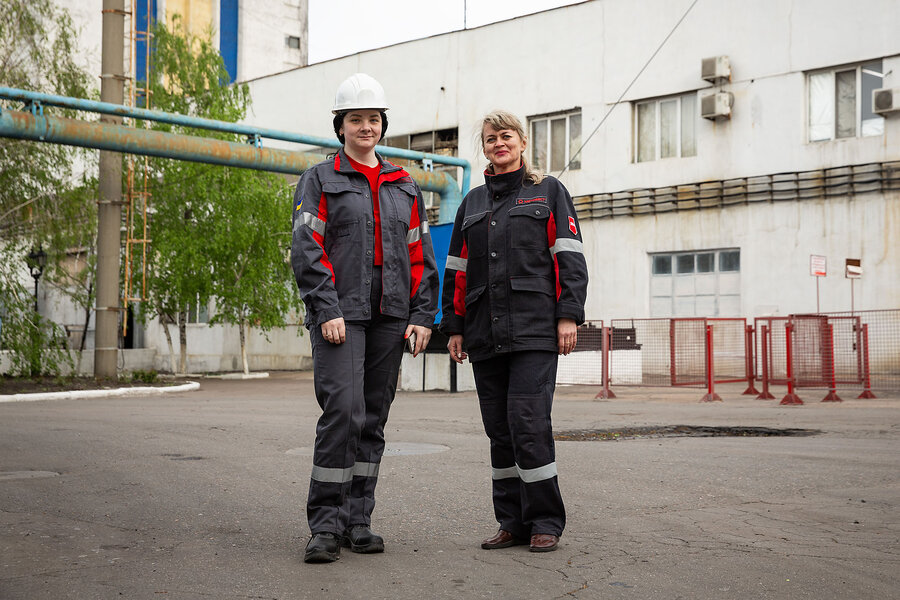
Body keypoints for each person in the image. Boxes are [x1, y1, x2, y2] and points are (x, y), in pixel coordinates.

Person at [291, 73, 439, 563]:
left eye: (373, 119)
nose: (366, 127)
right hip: (342, 316)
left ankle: (359, 521)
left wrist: (422, 314)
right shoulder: (320, 178)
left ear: (383, 125)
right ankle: (325, 526)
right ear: (341, 126)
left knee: (373, 419)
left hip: (391, 317)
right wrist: (326, 308)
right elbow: (307, 248)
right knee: (343, 413)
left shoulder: (403, 185)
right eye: (356, 119)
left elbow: (420, 256)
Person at [440, 110, 588, 553]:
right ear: (484, 148)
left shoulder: (549, 191)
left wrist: (568, 315)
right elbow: (456, 272)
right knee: (499, 430)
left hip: (534, 330)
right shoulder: (472, 204)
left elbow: (570, 257)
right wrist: (455, 328)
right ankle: (511, 521)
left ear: (522, 143)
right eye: (490, 139)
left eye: (505, 136)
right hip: (485, 332)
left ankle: (545, 520)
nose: (497, 144)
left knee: (528, 423)